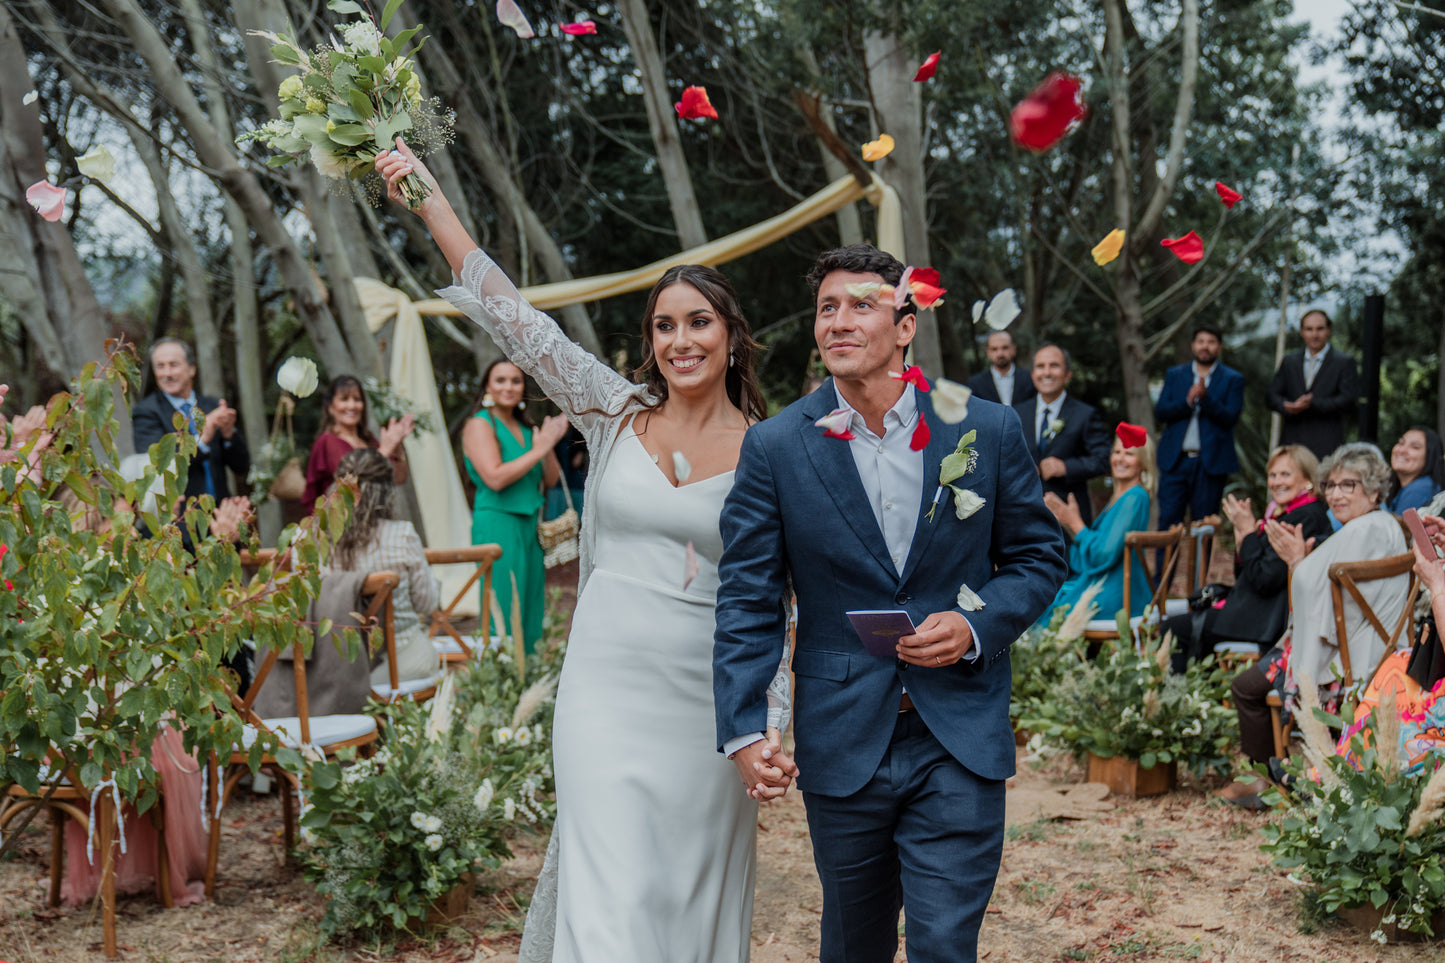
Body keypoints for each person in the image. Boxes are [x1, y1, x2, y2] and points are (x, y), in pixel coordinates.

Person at [376, 141, 793, 963]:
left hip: (710, 701)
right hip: (605, 690)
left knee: (689, 892)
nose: (680, 340)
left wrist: (769, 720)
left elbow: (781, 599)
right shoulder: (612, 411)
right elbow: (514, 321)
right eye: (664, 325)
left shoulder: (775, 450)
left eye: (698, 322)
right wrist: (430, 203)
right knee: (608, 897)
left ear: (731, 336)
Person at [714, 243, 1067, 963]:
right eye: (826, 308)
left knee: (943, 945)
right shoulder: (776, 447)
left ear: (905, 325)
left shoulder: (986, 429)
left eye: (862, 305)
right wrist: (746, 726)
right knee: (854, 946)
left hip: (956, 732)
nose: (839, 322)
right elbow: (748, 597)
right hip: (843, 738)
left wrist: (975, 624)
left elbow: (1037, 557)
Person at [1224, 443, 1408, 807]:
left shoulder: (1362, 531)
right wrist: (1304, 562)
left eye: (1348, 485)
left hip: (1348, 658)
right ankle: (1270, 778)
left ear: (1373, 491)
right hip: (1375, 649)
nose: (1336, 494)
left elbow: (1314, 587)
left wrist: (1297, 561)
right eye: (1331, 485)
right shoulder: (1384, 525)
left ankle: (1266, 781)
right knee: (1249, 685)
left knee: (1246, 687)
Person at [1165, 445, 1332, 672]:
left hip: (1267, 620)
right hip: (1257, 611)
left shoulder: (1305, 517)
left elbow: (1265, 579)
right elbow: (1245, 574)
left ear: (1308, 480)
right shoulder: (1286, 513)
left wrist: (1249, 534)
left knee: (1173, 629)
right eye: (1272, 475)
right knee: (1184, 623)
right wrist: (1243, 538)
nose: (1276, 482)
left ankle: (1187, 699)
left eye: (1285, 474)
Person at [462, 358, 566, 652]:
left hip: (529, 526)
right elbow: (494, 477)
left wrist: (547, 444)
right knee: (503, 609)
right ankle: (503, 686)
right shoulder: (479, 424)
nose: (509, 387)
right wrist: (542, 447)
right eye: (501, 380)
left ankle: (529, 686)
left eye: (515, 381)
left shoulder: (526, 425)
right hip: (497, 524)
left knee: (531, 608)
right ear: (487, 387)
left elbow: (551, 478)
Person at [328, 447, 441, 689]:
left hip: (335, 669)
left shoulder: (313, 542)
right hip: (401, 663)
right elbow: (426, 603)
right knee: (425, 654)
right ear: (387, 491)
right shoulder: (402, 536)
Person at [1039, 426, 1155, 627]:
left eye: (1129, 454)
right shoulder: (1119, 499)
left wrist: (1074, 522)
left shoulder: (1135, 497)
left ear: (1143, 464)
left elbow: (1103, 554)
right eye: (1117, 452)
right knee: (1041, 597)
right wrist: (1068, 521)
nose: (1120, 459)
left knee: (1046, 614)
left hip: (1117, 593)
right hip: (1107, 585)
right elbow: (1097, 550)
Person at [132, 338, 250, 501]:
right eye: (160, 366)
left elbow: (242, 467)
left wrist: (229, 434)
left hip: (221, 514)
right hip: (179, 518)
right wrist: (201, 440)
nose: (167, 373)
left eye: (174, 365)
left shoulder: (212, 406)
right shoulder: (146, 412)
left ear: (191, 369)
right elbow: (157, 467)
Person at [1154, 323, 1244, 531]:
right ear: (1193, 345)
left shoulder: (1233, 379)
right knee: (1168, 523)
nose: (1206, 346)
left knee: (1203, 526)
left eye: (1211, 342)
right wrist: (1187, 402)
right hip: (1175, 462)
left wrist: (1206, 399)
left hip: (1210, 464)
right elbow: (1161, 412)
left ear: (1219, 347)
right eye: (1201, 341)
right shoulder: (1175, 375)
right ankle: (1165, 566)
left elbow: (1230, 418)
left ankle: (1200, 566)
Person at [1015, 344, 1111, 526]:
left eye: (1054, 366)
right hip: (1023, 513)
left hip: (1068, 516)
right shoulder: (1016, 413)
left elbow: (1103, 459)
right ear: (1033, 374)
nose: (1047, 372)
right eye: (1040, 366)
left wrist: (1066, 467)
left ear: (1068, 375)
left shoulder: (1085, 414)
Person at [301, 375, 414, 514]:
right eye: (344, 399)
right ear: (330, 407)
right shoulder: (327, 441)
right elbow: (352, 482)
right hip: (341, 524)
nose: (352, 405)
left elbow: (398, 479)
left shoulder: (369, 440)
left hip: (374, 519)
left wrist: (397, 448)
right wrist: (384, 451)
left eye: (357, 399)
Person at [1267, 309, 1359, 460]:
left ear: (1328, 331)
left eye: (1320, 329)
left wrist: (1313, 404)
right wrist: (1286, 405)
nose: (1314, 334)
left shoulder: (1344, 362)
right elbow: (1271, 396)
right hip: (1291, 443)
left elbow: (1348, 401)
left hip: (1326, 445)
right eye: (1309, 329)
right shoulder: (1289, 361)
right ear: (1302, 332)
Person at [965, 330, 1036, 408]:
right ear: (988, 352)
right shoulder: (976, 383)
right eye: (994, 349)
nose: (1000, 354)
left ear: (1013, 350)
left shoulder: (1030, 378)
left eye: (1005, 348)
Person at [1386, 426, 1444, 514]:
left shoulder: (1420, 489)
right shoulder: (1408, 488)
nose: (1402, 450)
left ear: (1430, 457)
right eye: (1401, 443)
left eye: (1415, 447)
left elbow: (1398, 527)